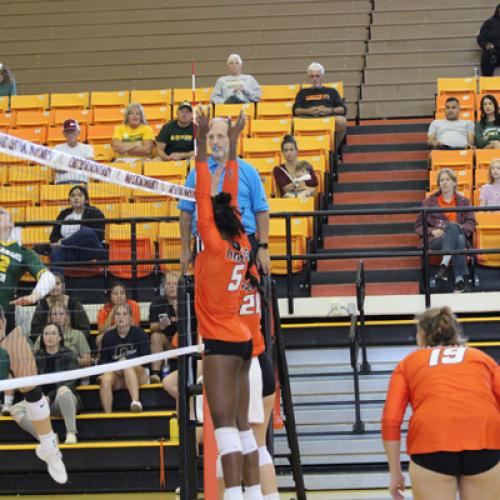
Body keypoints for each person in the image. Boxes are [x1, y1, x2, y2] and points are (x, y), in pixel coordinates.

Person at [195, 108, 262, 499]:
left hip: (220, 342)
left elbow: (204, 194)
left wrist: (201, 145)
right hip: (241, 339)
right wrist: (232, 142)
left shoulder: (215, 245)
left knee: (225, 431)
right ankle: (254, 494)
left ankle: (235, 496)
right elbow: (230, 194)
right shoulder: (242, 244)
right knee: (242, 427)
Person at [382, 306, 500, 500]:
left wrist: (395, 473)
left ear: (422, 334)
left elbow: (390, 420)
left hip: (431, 444)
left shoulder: (408, 363)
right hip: (483, 441)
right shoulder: (483, 358)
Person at [0, 212, 67, 485]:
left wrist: (35, 295)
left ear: (10, 223)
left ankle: (49, 447)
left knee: (31, 385)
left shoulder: (21, 253)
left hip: (6, 325)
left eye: (3, 214)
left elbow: (48, 278)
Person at [179, 118, 270, 276]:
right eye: (211, 137)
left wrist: (263, 247)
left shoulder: (249, 171)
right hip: (205, 245)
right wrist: (185, 248)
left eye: (220, 136)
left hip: (244, 243)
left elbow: (261, 212)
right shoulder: (196, 174)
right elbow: (185, 212)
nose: (215, 141)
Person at [10, 322, 82, 445]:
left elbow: (70, 383)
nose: (49, 336)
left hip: (62, 402)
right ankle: (47, 437)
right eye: (46, 334)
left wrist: (49, 397)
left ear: (60, 337)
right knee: (15, 409)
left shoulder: (69, 355)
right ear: (42, 337)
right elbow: (31, 381)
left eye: (53, 333)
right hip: (42, 402)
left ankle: (71, 432)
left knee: (63, 390)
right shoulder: (36, 356)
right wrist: (40, 398)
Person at [415, 168, 476, 292]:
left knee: (457, 233)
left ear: (454, 182)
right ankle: (460, 280)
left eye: (447, 179)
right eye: (441, 180)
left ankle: (445, 266)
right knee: (457, 235)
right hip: (436, 239)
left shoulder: (464, 201)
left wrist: (458, 228)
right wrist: (431, 230)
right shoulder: (428, 202)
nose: (444, 182)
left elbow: (471, 222)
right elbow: (419, 225)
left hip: (458, 235)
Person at [99, 303, 150, 413]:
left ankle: (136, 401)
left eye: (124, 314)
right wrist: (115, 367)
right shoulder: (107, 337)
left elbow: (146, 361)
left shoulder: (140, 334)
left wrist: (124, 362)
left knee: (126, 364)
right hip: (118, 375)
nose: (121, 317)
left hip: (139, 373)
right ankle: (107, 416)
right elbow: (102, 362)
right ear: (114, 318)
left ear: (130, 317)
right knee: (105, 379)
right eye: (117, 314)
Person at [49, 185, 107, 276]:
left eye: (80, 195)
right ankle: (57, 281)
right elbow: (53, 237)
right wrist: (61, 243)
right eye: (73, 196)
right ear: (69, 200)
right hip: (71, 252)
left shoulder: (95, 212)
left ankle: (63, 243)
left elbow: (98, 235)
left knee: (86, 232)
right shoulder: (63, 214)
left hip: (90, 250)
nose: (76, 198)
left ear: (86, 199)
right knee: (56, 252)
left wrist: (64, 242)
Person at [293, 62, 347, 155]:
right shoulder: (302, 92)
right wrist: (308, 111)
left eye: (317, 76)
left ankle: (332, 151)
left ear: (322, 77)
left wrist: (329, 111)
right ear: (309, 77)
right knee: (291, 123)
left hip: (327, 117)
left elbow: (342, 109)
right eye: (312, 76)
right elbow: (296, 110)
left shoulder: (332, 91)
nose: (314, 79)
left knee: (342, 121)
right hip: (308, 117)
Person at [30, 272, 91, 341]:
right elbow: (35, 332)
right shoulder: (42, 306)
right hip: (48, 342)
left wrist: (71, 339)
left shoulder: (74, 304)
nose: (54, 287)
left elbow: (85, 329)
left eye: (57, 283)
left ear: (63, 286)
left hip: (72, 341)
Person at [33, 301, 91, 369]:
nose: (58, 317)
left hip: (71, 371)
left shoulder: (78, 335)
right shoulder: (43, 336)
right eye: (54, 314)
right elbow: (33, 360)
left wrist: (70, 360)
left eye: (61, 314)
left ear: (66, 316)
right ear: (50, 317)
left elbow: (87, 361)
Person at [149, 272, 178, 383]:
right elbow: (151, 327)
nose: (171, 287)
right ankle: (155, 374)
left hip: (185, 342)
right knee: (156, 336)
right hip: (168, 344)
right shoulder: (157, 303)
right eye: (168, 284)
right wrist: (160, 326)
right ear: (164, 287)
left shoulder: (188, 300)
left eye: (174, 284)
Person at [96, 282, 141, 347]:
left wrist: (115, 327)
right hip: (112, 335)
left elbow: (134, 326)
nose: (119, 296)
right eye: (115, 293)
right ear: (110, 296)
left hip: (129, 333)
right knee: (99, 338)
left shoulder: (134, 305)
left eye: (122, 293)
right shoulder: (103, 310)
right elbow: (102, 331)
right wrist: (113, 310)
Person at [53, 119, 94, 184]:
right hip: (62, 184)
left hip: (81, 183)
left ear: (78, 132)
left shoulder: (87, 148)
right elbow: (57, 167)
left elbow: (89, 166)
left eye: (73, 131)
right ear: (64, 133)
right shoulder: (57, 148)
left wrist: (66, 164)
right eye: (67, 132)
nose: (70, 134)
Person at [477, 4, 500, 76]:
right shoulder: (489, 22)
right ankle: (487, 80)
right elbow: (481, 38)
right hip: (493, 51)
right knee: (487, 56)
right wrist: (486, 44)